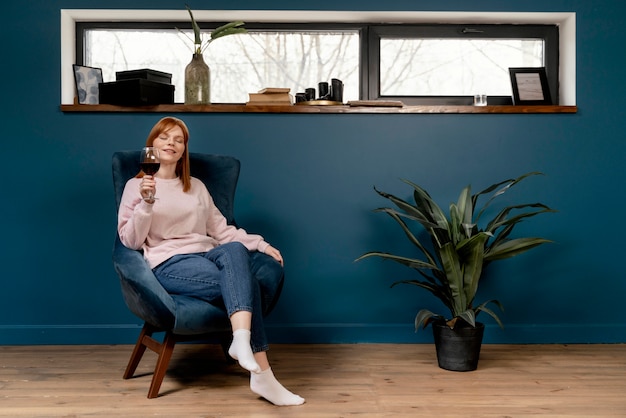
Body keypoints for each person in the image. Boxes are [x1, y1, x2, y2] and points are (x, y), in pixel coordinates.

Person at [117, 116, 304, 406]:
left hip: (207, 253)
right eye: (165, 137)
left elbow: (222, 231)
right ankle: (263, 375)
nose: (172, 143)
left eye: (179, 140)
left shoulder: (197, 187)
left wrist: (261, 244)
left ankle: (241, 342)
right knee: (247, 284)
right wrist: (147, 203)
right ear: (152, 144)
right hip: (169, 262)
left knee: (234, 251)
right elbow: (130, 241)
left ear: (184, 150)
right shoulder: (136, 185)